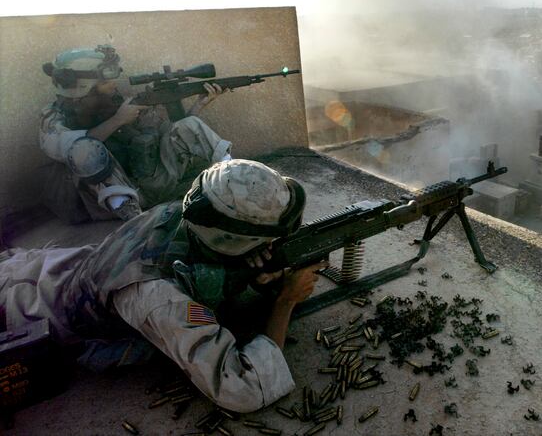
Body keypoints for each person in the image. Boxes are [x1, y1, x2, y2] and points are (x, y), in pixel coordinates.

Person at [0, 159, 324, 412]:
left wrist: (253, 274)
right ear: (233, 239)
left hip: (64, 270)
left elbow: (201, 263)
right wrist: (285, 300)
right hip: (37, 311)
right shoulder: (157, 295)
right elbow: (242, 389)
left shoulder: (188, 213)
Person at [39, 45, 232, 221]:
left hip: (155, 183)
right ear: (83, 86)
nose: (114, 85)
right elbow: (70, 149)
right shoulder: (53, 117)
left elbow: (169, 135)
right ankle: (136, 223)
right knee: (84, 150)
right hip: (116, 200)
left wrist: (198, 107)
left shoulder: (118, 102)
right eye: (106, 82)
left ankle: (235, 180)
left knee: (189, 124)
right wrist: (118, 120)